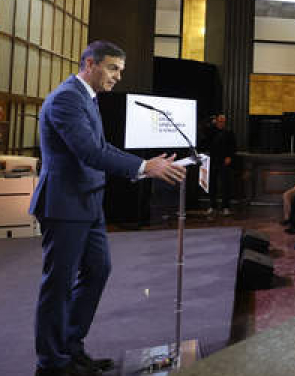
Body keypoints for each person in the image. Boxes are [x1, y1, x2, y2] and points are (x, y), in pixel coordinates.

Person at [31, 41, 186, 376]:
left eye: (121, 70)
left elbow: (101, 146)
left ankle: (71, 348)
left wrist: (144, 164)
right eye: (113, 68)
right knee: (58, 285)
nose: (118, 77)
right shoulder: (67, 98)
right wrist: (144, 167)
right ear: (90, 63)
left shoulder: (87, 97)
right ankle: (52, 363)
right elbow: (88, 151)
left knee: (98, 270)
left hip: (89, 202)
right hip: (65, 203)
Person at [206, 113, 236, 216]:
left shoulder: (229, 132)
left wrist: (229, 157)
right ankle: (212, 206)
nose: (222, 123)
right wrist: (211, 125)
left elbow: (233, 147)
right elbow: (206, 143)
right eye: (220, 121)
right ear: (216, 121)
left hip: (225, 161)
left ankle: (225, 207)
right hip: (213, 160)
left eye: (223, 121)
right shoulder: (211, 131)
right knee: (212, 185)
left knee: (225, 185)